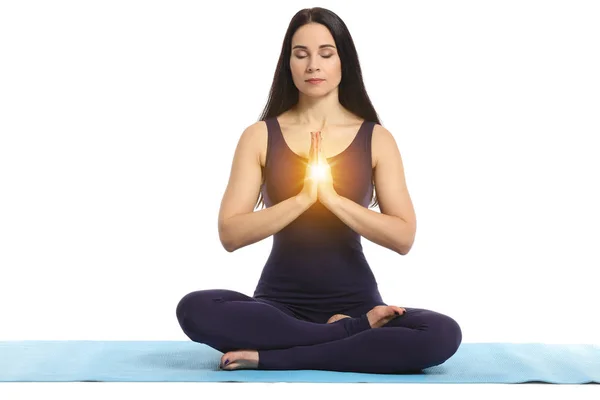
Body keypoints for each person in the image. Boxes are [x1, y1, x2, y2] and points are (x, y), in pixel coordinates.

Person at [176, 7, 462, 374]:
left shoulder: (376, 138)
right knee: (194, 308)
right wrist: (302, 199)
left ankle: (278, 356)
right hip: (278, 309)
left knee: (441, 333)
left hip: (360, 304)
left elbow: (403, 237)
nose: (313, 65)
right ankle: (346, 336)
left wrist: (332, 200)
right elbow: (230, 234)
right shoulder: (259, 136)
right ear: (288, 63)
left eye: (326, 54)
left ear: (344, 62)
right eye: (301, 54)